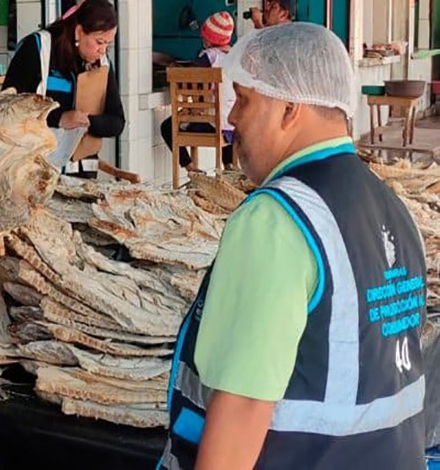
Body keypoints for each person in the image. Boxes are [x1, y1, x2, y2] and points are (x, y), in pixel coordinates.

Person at [160, 23, 427, 470]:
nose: (231, 119)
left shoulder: (276, 220)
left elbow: (243, 410)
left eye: (243, 101)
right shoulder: (394, 209)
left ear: (288, 109)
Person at [3, 0, 125, 179]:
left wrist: (87, 121)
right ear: (79, 31)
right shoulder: (38, 48)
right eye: (99, 42)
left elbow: (117, 122)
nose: (102, 51)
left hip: (82, 176)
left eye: (108, 44)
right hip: (34, 174)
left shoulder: (103, 63)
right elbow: (7, 108)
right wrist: (58, 118)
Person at [159, 11, 236, 170]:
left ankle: (191, 169)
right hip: (234, 125)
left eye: (204, 37)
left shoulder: (209, 57)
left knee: (167, 127)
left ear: (209, 39)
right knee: (222, 115)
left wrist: (175, 69)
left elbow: (189, 79)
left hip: (209, 124)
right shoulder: (235, 57)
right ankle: (229, 167)